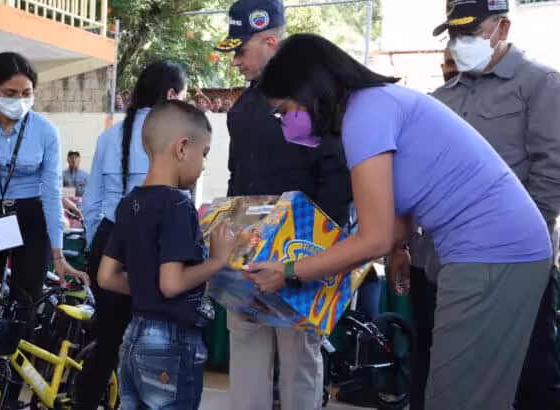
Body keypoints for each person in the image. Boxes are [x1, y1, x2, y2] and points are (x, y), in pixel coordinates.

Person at [244, 33, 553, 410]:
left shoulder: (365, 115)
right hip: (503, 249)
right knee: (479, 394)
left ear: (311, 90)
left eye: (284, 110)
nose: (284, 122)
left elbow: (373, 240)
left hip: (492, 252)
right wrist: (332, 262)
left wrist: (291, 270)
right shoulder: (377, 106)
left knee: (453, 398)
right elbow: (397, 227)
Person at [214, 1, 352, 409]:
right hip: (247, 258)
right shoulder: (240, 109)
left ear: (271, 41)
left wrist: (319, 260)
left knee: (299, 362)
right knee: (247, 355)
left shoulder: (320, 101)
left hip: (301, 259)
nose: (235, 62)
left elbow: (337, 183)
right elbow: (236, 181)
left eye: (241, 51)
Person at [430, 1, 560, 408]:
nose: (459, 43)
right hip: (452, 262)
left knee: (529, 374)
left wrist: (516, 243)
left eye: (469, 33)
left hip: (517, 261)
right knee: (457, 376)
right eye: (453, 34)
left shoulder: (540, 83)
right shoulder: (442, 97)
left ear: (502, 28)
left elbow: (551, 170)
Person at [97, 100, 234, 409]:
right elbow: (171, 283)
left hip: (133, 336)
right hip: (172, 341)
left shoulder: (129, 203)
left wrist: (149, 289)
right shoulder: (178, 204)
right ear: (182, 148)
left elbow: (107, 277)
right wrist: (216, 261)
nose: (203, 165)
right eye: (205, 154)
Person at [77, 60, 188, 409]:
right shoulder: (177, 139)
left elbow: (91, 204)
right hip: (154, 250)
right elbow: (179, 205)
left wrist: (104, 243)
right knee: (155, 348)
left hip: (108, 243)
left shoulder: (109, 135)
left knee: (108, 344)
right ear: (171, 95)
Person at [0, 52, 87, 382]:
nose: (19, 101)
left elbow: (51, 192)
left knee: (25, 303)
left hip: (30, 217)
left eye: (27, 94)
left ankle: (15, 388)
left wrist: (59, 254)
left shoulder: (45, 130)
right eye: (10, 93)